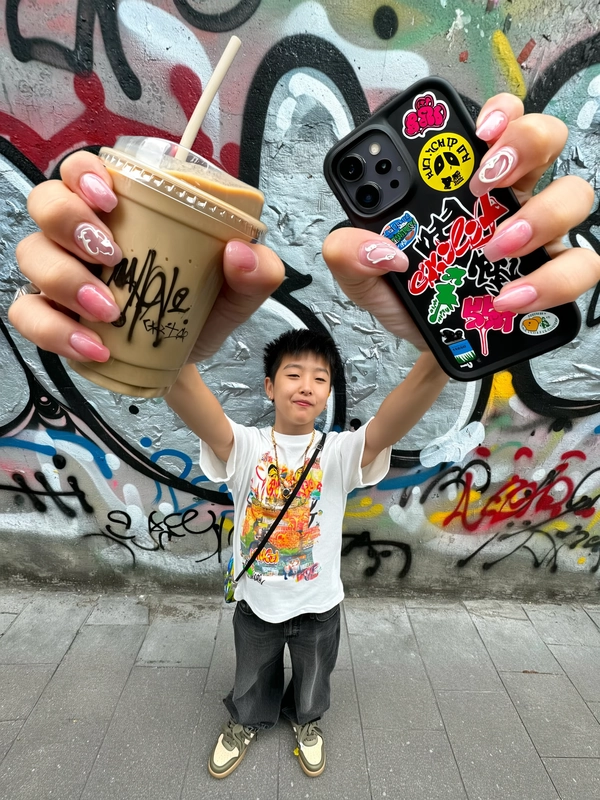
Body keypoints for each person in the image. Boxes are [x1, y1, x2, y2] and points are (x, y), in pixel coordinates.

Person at [8, 93, 598, 777]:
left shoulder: (340, 453)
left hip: (320, 605)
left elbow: (399, 411)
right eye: (293, 374)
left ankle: (307, 723)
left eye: (319, 378)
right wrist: (160, 330)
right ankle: (246, 723)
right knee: (251, 677)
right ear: (269, 387)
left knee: (313, 682)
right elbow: (182, 386)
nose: (307, 386)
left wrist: (445, 348)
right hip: (257, 601)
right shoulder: (246, 449)